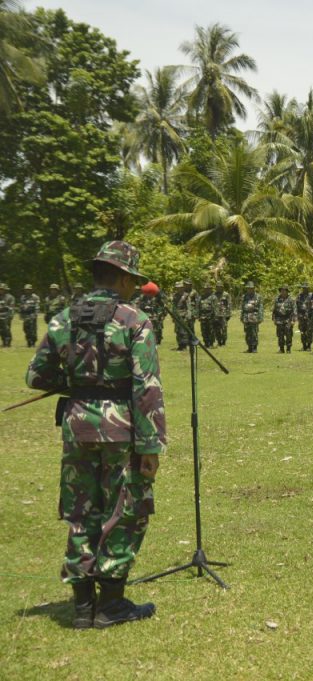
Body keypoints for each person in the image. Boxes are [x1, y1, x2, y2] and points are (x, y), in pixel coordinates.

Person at [25, 240, 164, 629]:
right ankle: (112, 605)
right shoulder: (134, 320)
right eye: (132, 280)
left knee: (80, 509)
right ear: (121, 278)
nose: (135, 287)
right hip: (122, 429)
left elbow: (36, 375)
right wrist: (151, 444)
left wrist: (77, 382)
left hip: (77, 426)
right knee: (124, 510)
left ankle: (83, 606)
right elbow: (146, 387)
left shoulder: (63, 318)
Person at [272, 285, 296, 353]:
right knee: (280, 335)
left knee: (288, 334)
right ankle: (281, 348)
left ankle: (288, 348)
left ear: (287, 291)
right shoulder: (277, 299)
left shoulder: (291, 300)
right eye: (281, 290)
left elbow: (294, 310)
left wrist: (293, 320)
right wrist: (274, 319)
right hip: (279, 319)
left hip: (288, 319)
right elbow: (274, 310)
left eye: (284, 290)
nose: (283, 292)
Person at [240, 282, 263, 353]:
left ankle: (254, 348)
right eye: (248, 288)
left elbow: (260, 308)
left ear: (253, 289)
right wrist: (241, 317)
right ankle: (249, 347)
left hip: (254, 317)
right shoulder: (244, 296)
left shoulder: (258, 296)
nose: (249, 290)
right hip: (246, 317)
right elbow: (242, 308)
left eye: (251, 288)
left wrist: (260, 317)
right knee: (247, 333)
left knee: (254, 333)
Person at [171, 281, 191, 351]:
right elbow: (173, 306)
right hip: (177, 316)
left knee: (184, 331)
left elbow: (188, 306)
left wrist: (188, 315)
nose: (178, 289)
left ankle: (184, 345)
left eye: (180, 288)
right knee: (177, 331)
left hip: (184, 316)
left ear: (182, 288)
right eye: (177, 288)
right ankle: (180, 345)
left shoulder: (186, 295)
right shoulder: (175, 295)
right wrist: (173, 316)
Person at [296, 283, 313, 351]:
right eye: (303, 288)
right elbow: (296, 305)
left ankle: (309, 346)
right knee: (302, 331)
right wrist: (297, 315)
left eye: (306, 288)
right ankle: (304, 345)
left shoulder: (311, 296)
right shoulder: (299, 296)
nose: (304, 289)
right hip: (301, 315)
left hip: (309, 316)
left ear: (308, 288)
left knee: (309, 331)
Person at [215, 282, 231, 347]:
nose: (219, 288)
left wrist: (228, 314)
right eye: (217, 287)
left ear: (222, 287)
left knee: (224, 328)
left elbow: (229, 304)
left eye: (220, 287)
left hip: (224, 314)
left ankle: (224, 342)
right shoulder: (214, 294)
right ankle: (219, 341)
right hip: (216, 314)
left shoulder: (226, 294)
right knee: (217, 329)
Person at [0, 282, 15, 347]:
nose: (1, 290)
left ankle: (8, 342)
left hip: (6, 316)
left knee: (6, 329)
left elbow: (11, 307)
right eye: (0, 289)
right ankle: (3, 341)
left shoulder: (10, 297)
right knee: (1, 330)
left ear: (5, 289)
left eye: (2, 289)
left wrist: (5, 307)